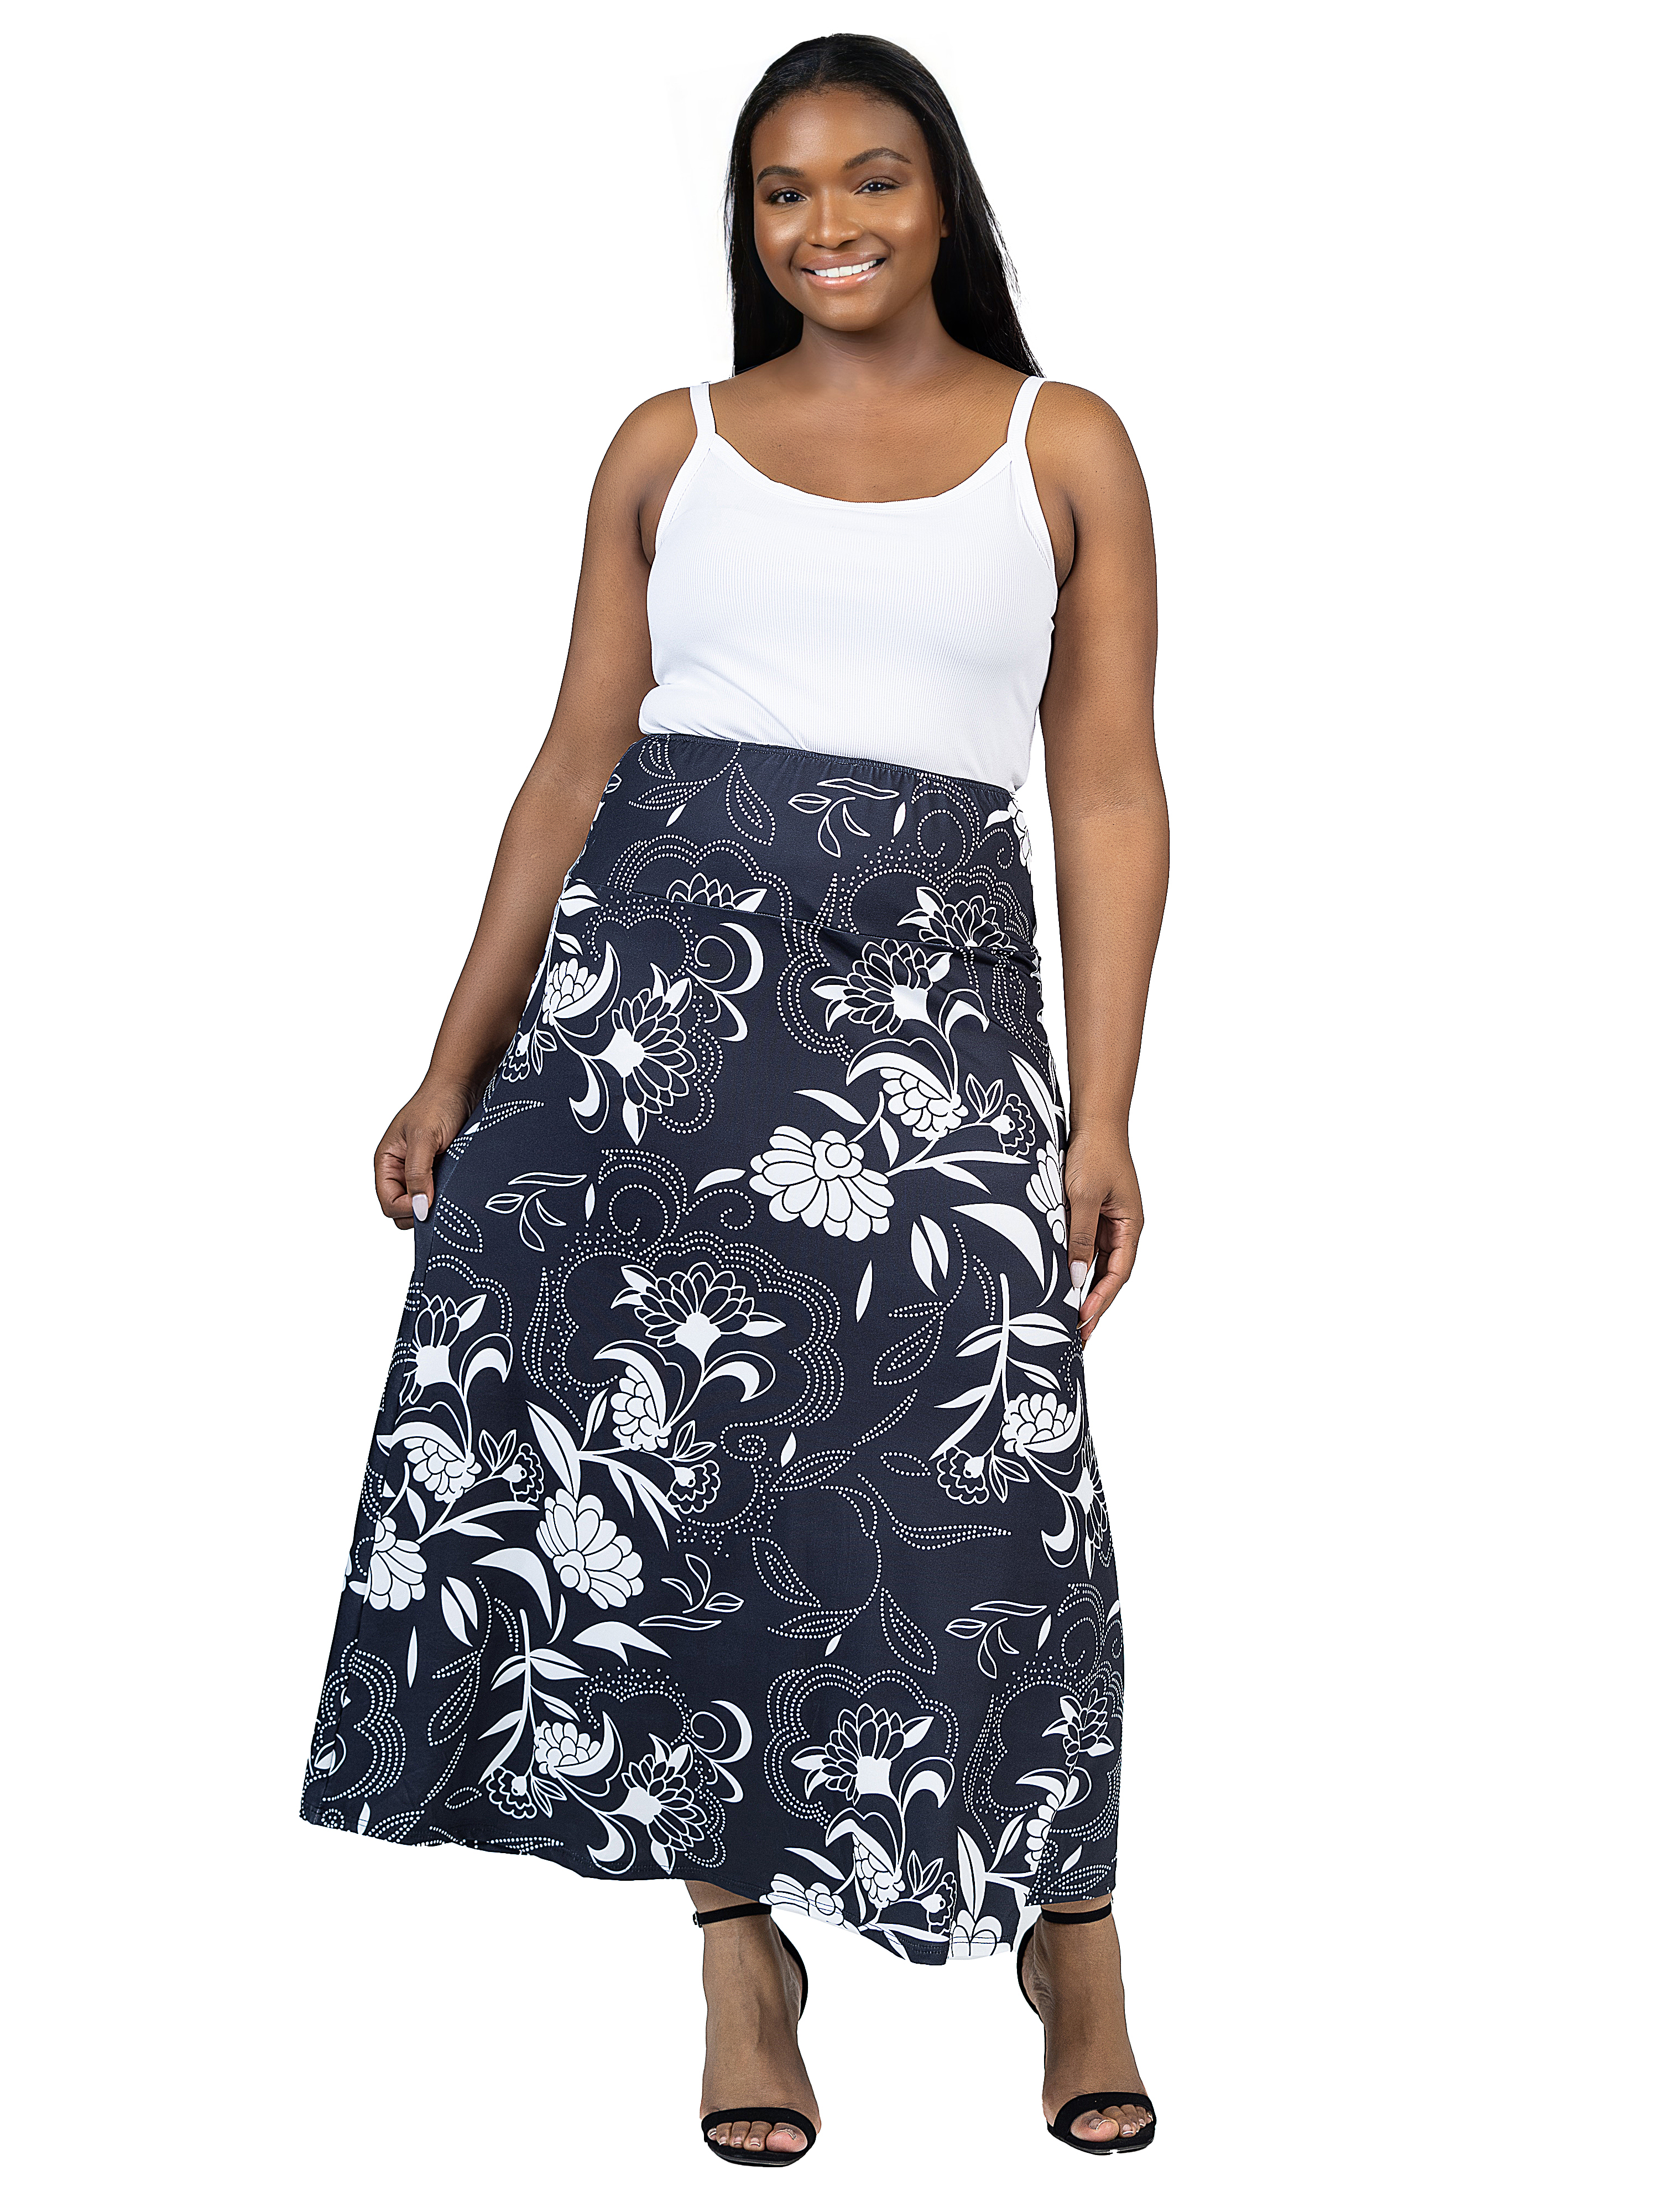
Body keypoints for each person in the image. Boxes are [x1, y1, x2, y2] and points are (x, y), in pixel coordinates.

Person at [300, 32, 1167, 2165]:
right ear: (746, 219)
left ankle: (1073, 1928)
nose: (827, 224)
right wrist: (453, 1057)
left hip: (926, 1049)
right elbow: (571, 766)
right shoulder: (665, 445)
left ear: (942, 197)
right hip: (644, 1042)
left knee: (999, 1503)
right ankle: (735, 1948)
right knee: (679, 1492)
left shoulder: (1062, 442)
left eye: (871, 179)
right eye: (784, 190)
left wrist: (1104, 1114)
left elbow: (1109, 789)